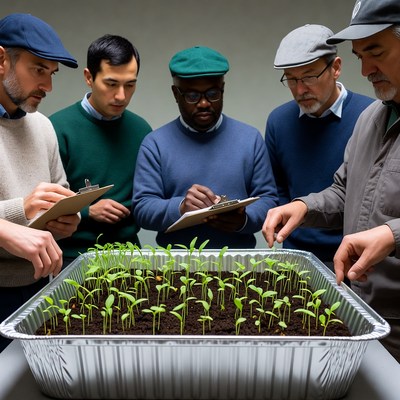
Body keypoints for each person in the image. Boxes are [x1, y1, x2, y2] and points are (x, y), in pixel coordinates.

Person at [262, 0, 400, 362]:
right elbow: (344, 191)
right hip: (363, 307)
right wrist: (303, 206)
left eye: (376, 52)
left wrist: (392, 234)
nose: (367, 69)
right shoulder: (372, 117)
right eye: (359, 56)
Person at [132, 46, 278, 249]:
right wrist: (181, 207)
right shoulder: (155, 144)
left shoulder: (250, 139)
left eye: (212, 93)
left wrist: (243, 220)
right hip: (175, 266)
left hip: (240, 266)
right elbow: (142, 209)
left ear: (223, 89)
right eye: (192, 96)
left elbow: (269, 200)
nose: (203, 103)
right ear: (176, 94)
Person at [0, 13, 81, 352]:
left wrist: (65, 220)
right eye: (38, 70)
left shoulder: (43, 127)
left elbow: (57, 193)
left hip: (36, 290)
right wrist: (22, 210)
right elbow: (24, 213)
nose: (48, 87)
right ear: (1, 60)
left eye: (51, 74)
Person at [265, 24, 373, 268]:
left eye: (309, 77)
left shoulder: (369, 116)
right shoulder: (278, 122)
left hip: (353, 258)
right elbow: (278, 190)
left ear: (336, 68)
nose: (300, 90)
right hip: (295, 256)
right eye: (291, 79)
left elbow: (369, 199)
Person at [50, 34, 152, 265]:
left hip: (130, 258)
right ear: (89, 77)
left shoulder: (141, 130)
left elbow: (148, 196)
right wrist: (87, 211)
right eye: (111, 84)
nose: (121, 96)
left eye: (130, 84)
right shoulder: (56, 128)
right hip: (72, 259)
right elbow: (40, 207)